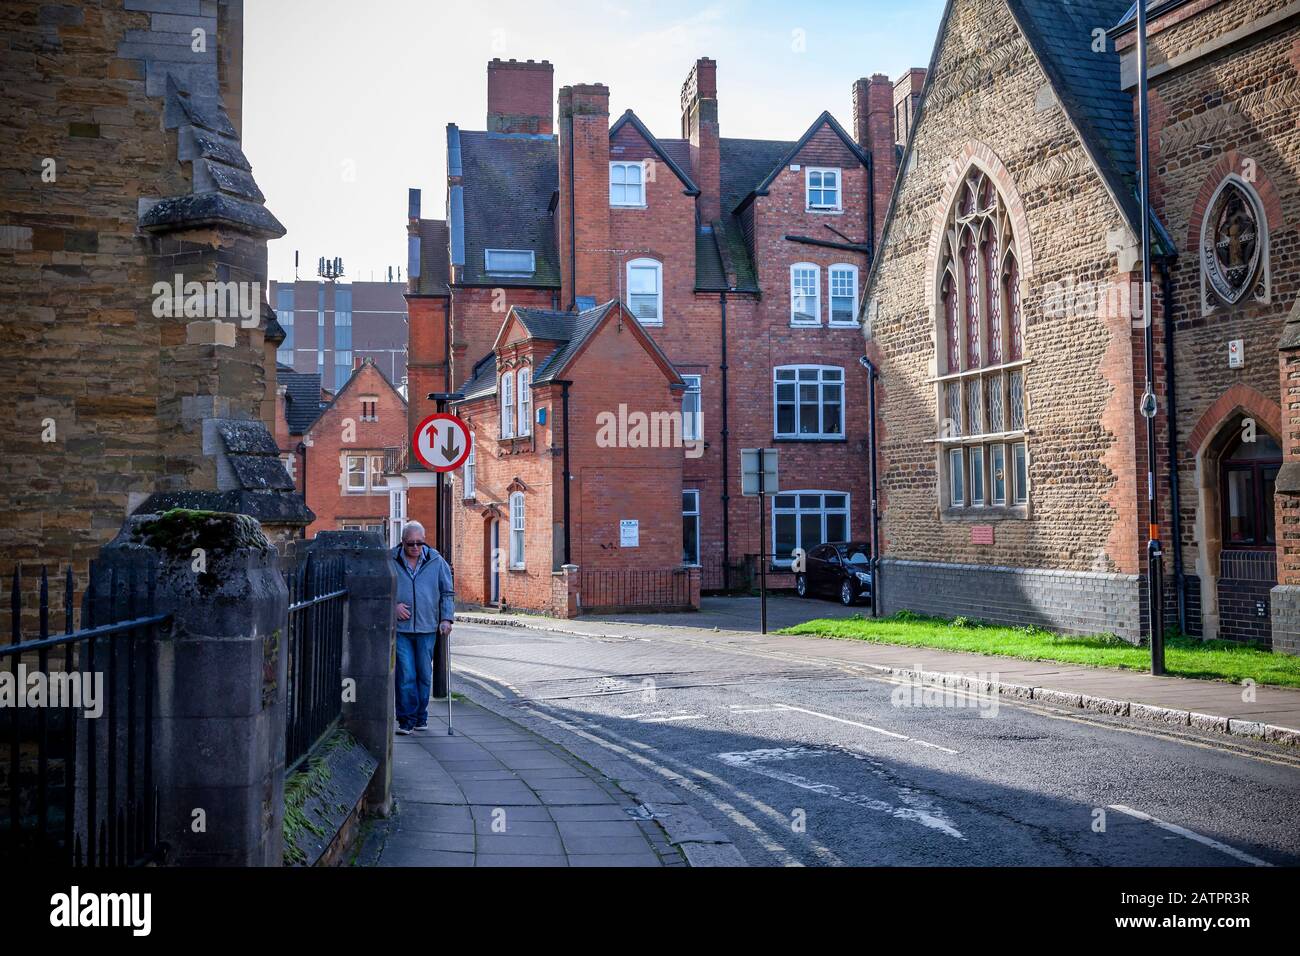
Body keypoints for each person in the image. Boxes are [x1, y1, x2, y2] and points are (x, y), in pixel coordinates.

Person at [391, 521, 454, 734]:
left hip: (428, 628)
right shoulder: (389, 560)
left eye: (419, 543)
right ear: (402, 542)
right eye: (411, 544)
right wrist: (393, 607)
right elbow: (379, 591)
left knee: (424, 674)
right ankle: (406, 720)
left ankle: (420, 716)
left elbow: (447, 592)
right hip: (401, 630)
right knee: (406, 674)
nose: (416, 547)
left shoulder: (436, 561)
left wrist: (446, 619)